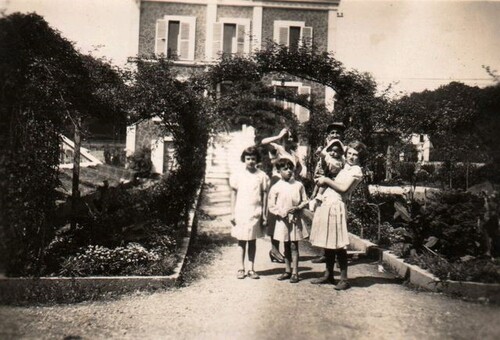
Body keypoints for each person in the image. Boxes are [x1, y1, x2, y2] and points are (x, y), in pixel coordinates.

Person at [309, 141, 368, 290]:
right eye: (350, 153)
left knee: (338, 244)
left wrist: (326, 180)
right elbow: (330, 158)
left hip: (337, 205)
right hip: (328, 203)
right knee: (328, 241)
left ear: (360, 157)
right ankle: (329, 275)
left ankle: (344, 279)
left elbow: (343, 189)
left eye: (355, 155)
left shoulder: (356, 171)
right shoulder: (345, 166)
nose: (351, 157)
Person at [261, 128, 305, 264]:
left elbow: (298, 170)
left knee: (288, 216)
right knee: (275, 216)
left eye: (291, 137)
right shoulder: (277, 148)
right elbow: (263, 142)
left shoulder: (294, 154)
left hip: (289, 184)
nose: (289, 139)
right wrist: (279, 135)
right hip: (277, 182)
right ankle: (274, 249)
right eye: (287, 136)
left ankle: (286, 249)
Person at [230, 146, 270, 279]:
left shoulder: (261, 175)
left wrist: (264, 215)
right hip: (241, 211)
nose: (251, 161)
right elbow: (234, 194)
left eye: (253, 158)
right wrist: (232, 213)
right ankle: (241, 268)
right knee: (241, 241)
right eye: (248, 159)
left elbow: (264, 196)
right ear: (244, 159)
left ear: (257, 159)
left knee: (252, 241)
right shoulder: (238, 175)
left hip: (255, 212)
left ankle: (251, 268)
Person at [267, 158, 309, 283]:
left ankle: (295, 272)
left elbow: (305, 200)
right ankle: (287, 270)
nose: (289, 171)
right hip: (282, 220)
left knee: (294, 245)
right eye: (285, 169)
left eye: (290, 168)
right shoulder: (276, 187)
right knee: (286, 245)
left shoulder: (298, 185)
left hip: (294, 219)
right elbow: (271, 205)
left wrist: (298, 207)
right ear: (279, 171)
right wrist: (280, 213)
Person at [311, 122, 346, 264]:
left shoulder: (343, 152)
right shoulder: (325, 149)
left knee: (335, 222)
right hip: (322, 185)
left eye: (338, 132)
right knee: (323, 220)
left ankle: (338, 255)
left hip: (335, 188)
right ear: (328, 135)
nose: (335, 135)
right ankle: (326, 253)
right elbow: (320, 170)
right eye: (332, 133)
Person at [309, 138, 345, 211]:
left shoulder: (341, 160)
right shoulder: (328, 157)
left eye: (335, 151)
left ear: (340, 152)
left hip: (335, 178)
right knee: (320, 184)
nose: (332, 153)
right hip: (327, 175)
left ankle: (318, 199)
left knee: (326, 187)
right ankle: (315, 197)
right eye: (331, 150)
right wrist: (319, 152)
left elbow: (343, 168)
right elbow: (323, 156)